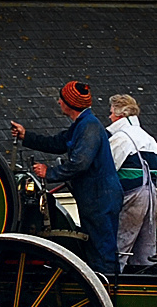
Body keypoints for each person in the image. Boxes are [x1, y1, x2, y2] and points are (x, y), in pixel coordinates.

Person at [9, 81, 122, 275]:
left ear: (69, 104)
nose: (58, 102)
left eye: (61, 99)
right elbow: (57, 142)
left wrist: (50, 173)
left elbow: (80, 163)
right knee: (96, 249)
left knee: (101, 251)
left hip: (99, 197)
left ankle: (107, 293)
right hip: (95, 196)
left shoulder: (89, 128)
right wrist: (25, 136)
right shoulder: (82, 125)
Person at [107, 94, 157, 273]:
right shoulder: (149, 138)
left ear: (120, 115)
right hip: (151, 193)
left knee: (119, 245)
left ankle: (112, 283)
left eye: (111, 113)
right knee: (145, 248)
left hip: (132, 194)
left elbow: (106, 169)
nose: (109, 117)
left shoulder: (121, 138)